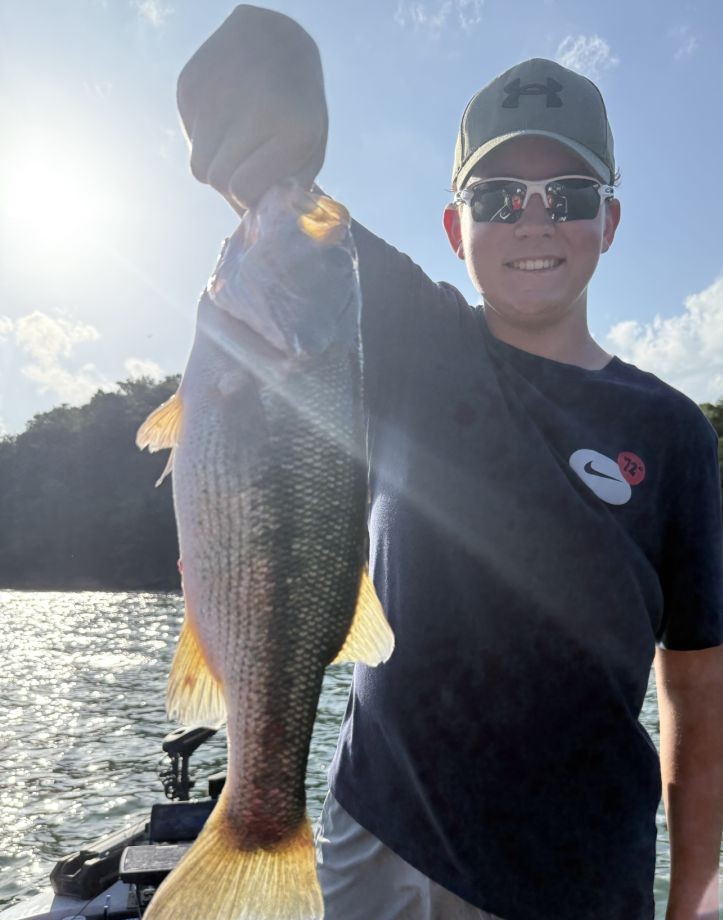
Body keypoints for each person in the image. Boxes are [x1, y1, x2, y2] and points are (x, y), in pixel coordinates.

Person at [176, 7, 723, 919]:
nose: (533, 219)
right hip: (379, 837)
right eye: (500, 195)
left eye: (571, 195)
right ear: (453, 224)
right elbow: (290, 220)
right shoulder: (414, 334)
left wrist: (698, 896)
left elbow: (698, 698)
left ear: (612, 221)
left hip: (578, 876)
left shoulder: (671, 433)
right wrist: (266, 102)